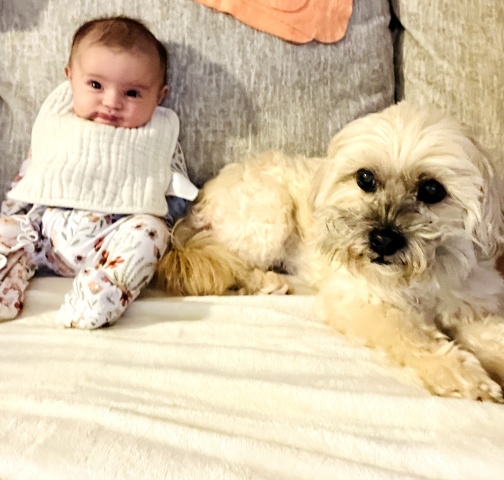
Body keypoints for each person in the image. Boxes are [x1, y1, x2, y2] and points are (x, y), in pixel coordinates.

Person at [0, 16, 198, 329]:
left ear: (160, 96)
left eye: (132, 93)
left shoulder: (157, 137)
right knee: (7, 230)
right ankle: (7, 286)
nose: (111, 102)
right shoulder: (57, 123)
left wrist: (172, 223)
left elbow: (175, 188)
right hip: (45, 232)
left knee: (151, 233)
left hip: (113, 239)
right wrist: (13, 214)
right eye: (95, 85)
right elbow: (31, 175)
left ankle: (100, 295)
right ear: (70, 78)